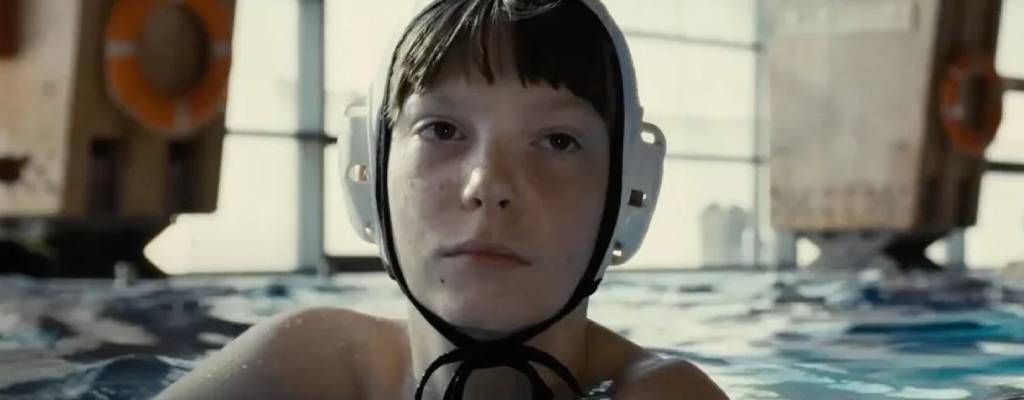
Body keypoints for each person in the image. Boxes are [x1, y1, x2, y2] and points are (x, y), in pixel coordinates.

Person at [157, 0, 728, 398]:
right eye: (442, 130)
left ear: (626, 192)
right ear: (369, 170)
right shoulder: (303, 362)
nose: (488, 186)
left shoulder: (661, 394)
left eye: (557, 140)